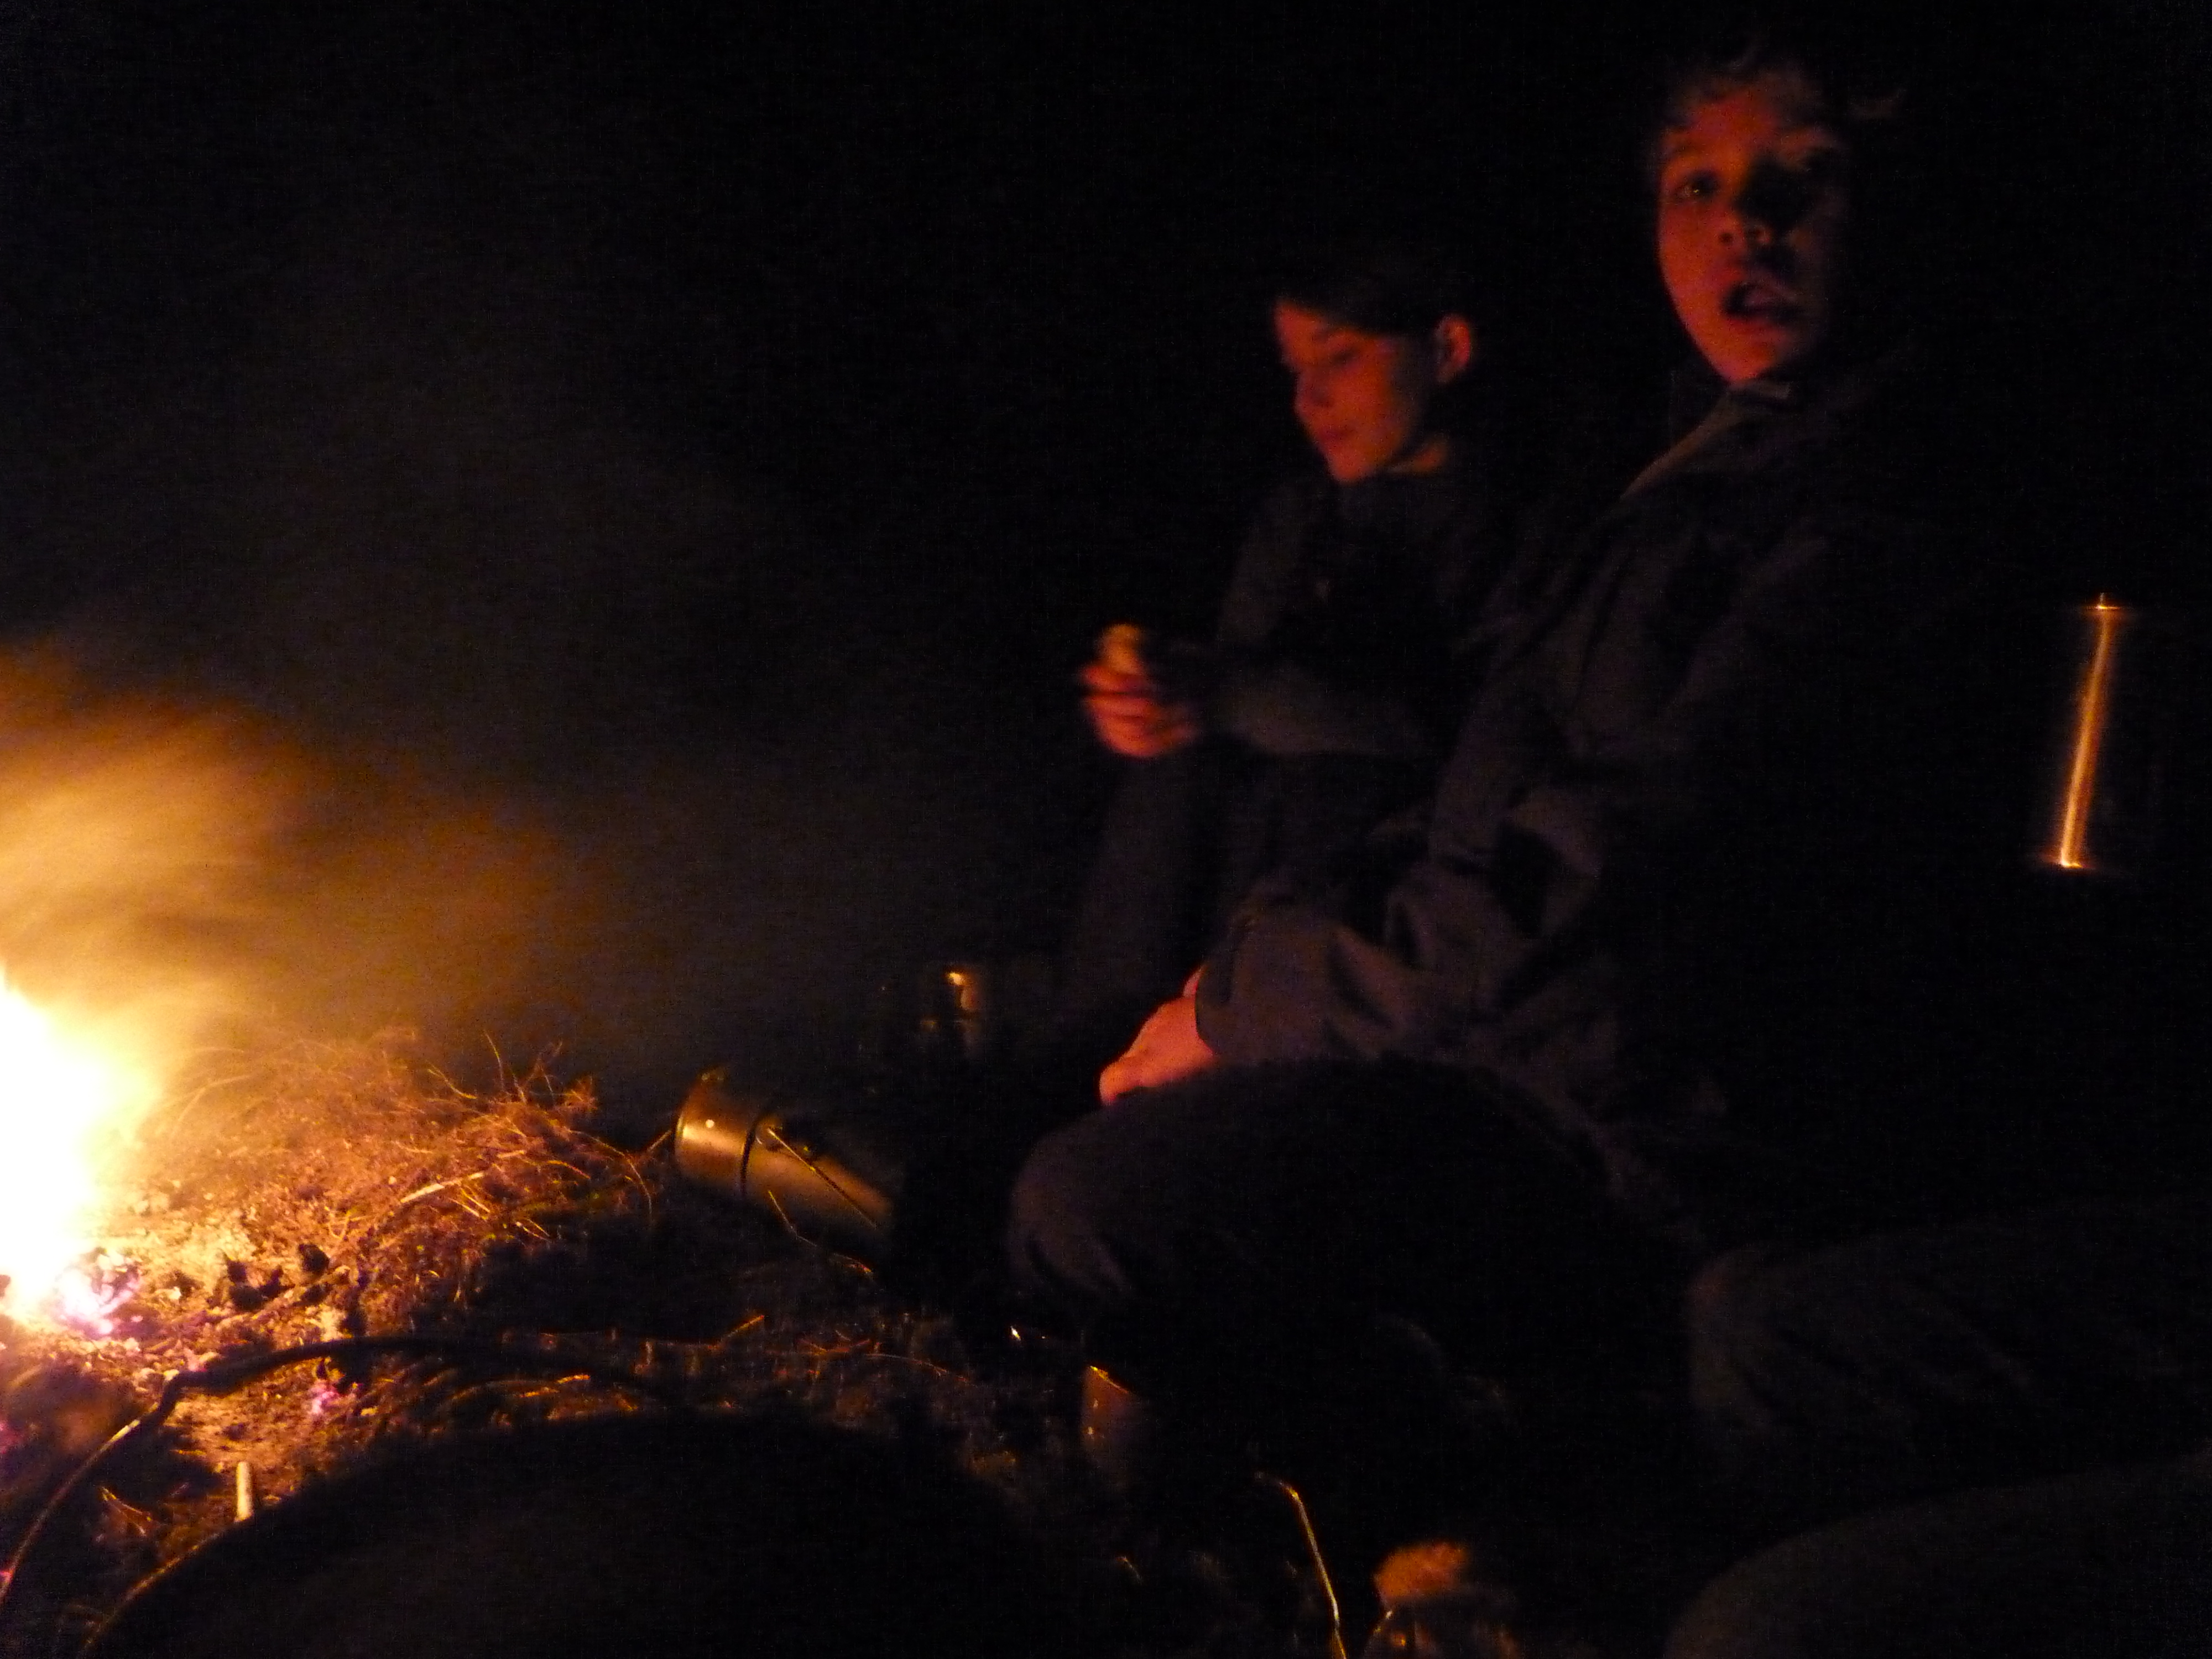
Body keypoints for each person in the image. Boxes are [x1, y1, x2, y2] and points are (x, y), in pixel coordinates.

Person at [1008, 27, 2004, 1568]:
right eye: (1696, 186)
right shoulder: (1685, 470)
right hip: (1525, 1054)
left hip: (1647, 1135)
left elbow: (1608, 864)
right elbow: (1484, 789)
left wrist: (1258, 1003)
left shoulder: (1874, 508)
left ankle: (1485, 1478)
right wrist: (1239, 977)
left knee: (1099, 1204)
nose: (1742, 226)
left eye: (1799, 180)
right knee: (1107, 1144)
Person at [1051, 244, 1532, 1075]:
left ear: (1447, 349)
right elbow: (1239, 684)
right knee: (1178, 773)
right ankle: (1096, 1048)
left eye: (1340, 359)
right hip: (1231, 882)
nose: (1310, 398)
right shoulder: (1301, 516)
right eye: (1295, 369)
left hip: (1380, 912)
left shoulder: (1524, 518)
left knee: (1326, 785)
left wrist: (1222, 695)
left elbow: (1452, 734)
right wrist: (1153, 705)